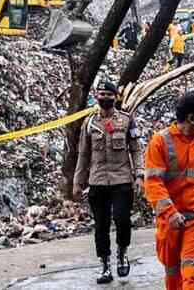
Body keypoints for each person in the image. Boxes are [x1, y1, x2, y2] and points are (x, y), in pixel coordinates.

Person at [73, 80, 143, 284]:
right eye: (101, 94)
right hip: (97, 181)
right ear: (97, 97)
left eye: (108, 95)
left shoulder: (127, 121)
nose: (105, 98)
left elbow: (136, 149)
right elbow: (83, 154)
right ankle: (104, 264)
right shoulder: (90, 123)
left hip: (122, 180)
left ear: (115, 98)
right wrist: (78, 181)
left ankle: (122, 252)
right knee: (101, 226)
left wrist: (139, 175)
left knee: (122, 220)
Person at [144, 92, 194, 290]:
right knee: (173, 272)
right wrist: (170, 213)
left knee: (193, 270)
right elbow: (153, 183)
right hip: (171, 221)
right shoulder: (160, 142)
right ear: (191, 118)